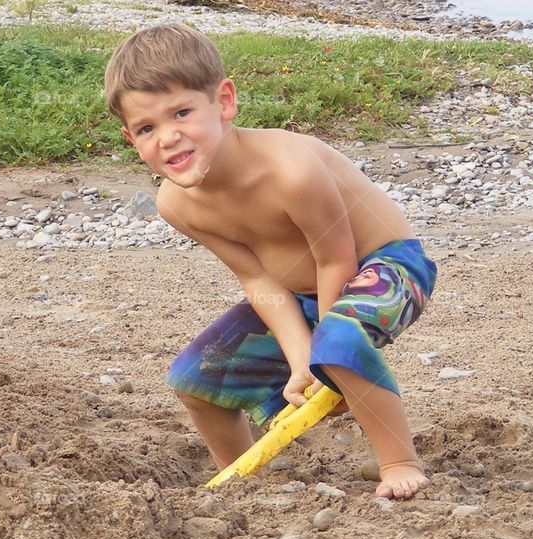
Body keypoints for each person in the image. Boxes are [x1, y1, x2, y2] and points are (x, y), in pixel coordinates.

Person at [104, 24, 438, 499]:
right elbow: (256, 277)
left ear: (223, 102)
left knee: (339, 337)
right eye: (147, 128)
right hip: (300, 295)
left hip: (389, 268)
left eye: (182, 112)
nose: (169, 137)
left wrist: (323, 358)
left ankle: (399, 460)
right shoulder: (176, 204)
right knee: (194, 382)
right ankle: (242, 482)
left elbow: (334, 258)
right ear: (129, 137)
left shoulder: (291, 171)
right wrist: (301, 356)